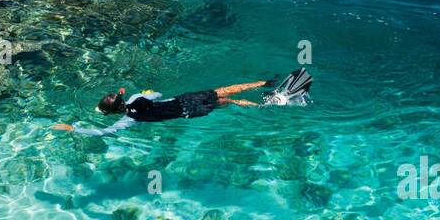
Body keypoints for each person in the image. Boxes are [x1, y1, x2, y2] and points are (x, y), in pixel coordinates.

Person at [53, 68, 312, 136]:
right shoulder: (135, 98)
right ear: (119, 98)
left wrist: (74, 128)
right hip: (186, 98)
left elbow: (102, 133)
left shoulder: (128, 120)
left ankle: (265, 104)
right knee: (224, 89)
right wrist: (149, 92)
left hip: (189, 112)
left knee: (229, 101)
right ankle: (264, 83)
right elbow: (154, 94)